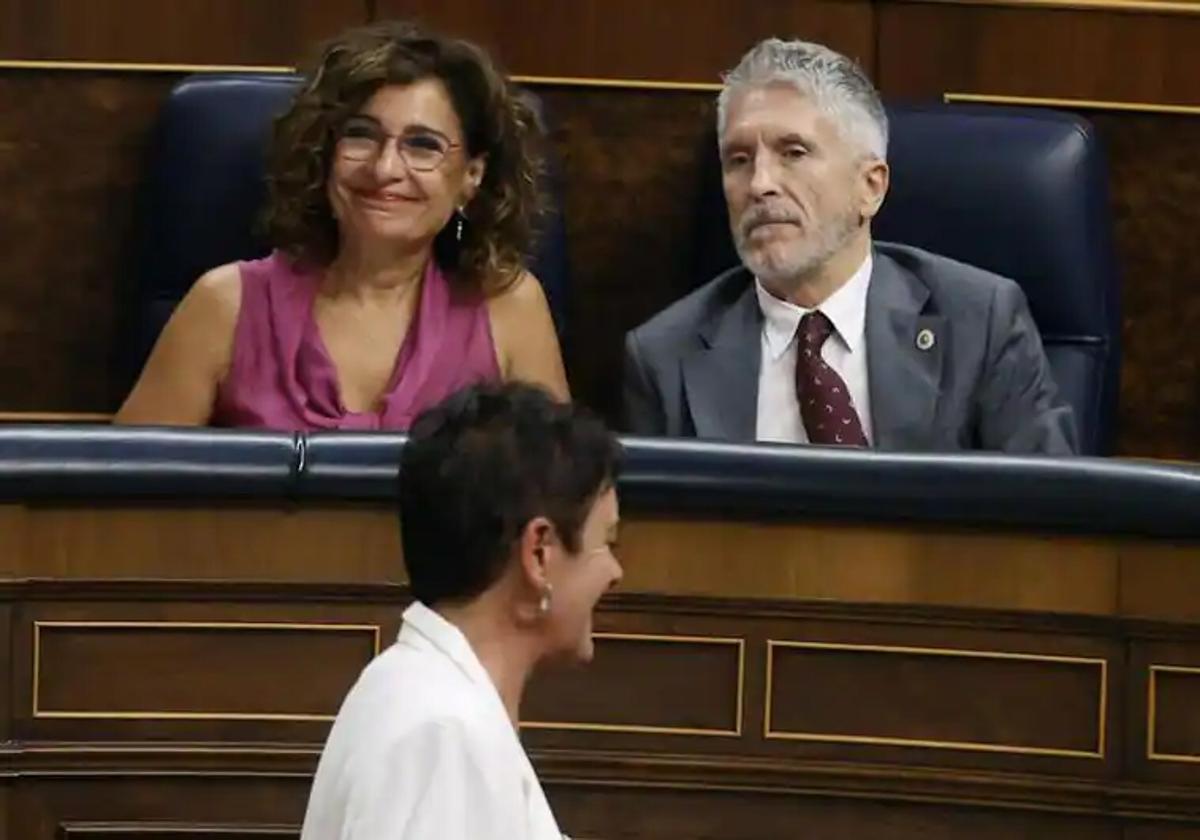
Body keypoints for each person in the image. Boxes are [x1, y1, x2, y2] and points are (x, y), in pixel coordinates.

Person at [623, 38, 1077, 454]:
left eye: (793, 153)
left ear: (870, 187)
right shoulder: (664, 355)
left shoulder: (981, 324)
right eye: (738, 160)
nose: (759, 184)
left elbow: (1052, 518)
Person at [117, 21, 567, 430]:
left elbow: (564, 500)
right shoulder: (223, 306)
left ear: (472, 175)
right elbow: (124, 499)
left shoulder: (509, 308)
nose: (385, 167)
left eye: (423, 145)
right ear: (324, 154)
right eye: (361, 135)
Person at [300, 382, 622, 839]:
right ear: (539, 554)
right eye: (606, 542)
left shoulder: (422, 693)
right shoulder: (443, 733)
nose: (615, 570)